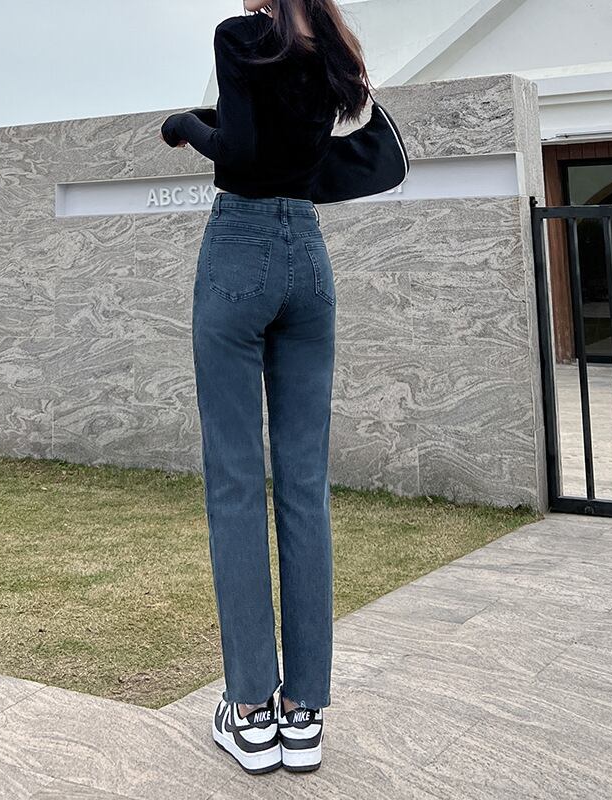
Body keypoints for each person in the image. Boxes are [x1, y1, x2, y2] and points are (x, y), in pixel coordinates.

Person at [159, 0, 371, 775]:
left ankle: (250, 712)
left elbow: (242, 151)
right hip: (308, 258)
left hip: (240, 248)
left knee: (236, 484)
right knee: (305, 488)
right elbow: (293, 143)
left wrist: (187, 126)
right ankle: (303, 713)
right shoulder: (334, 48)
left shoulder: (241, 36)